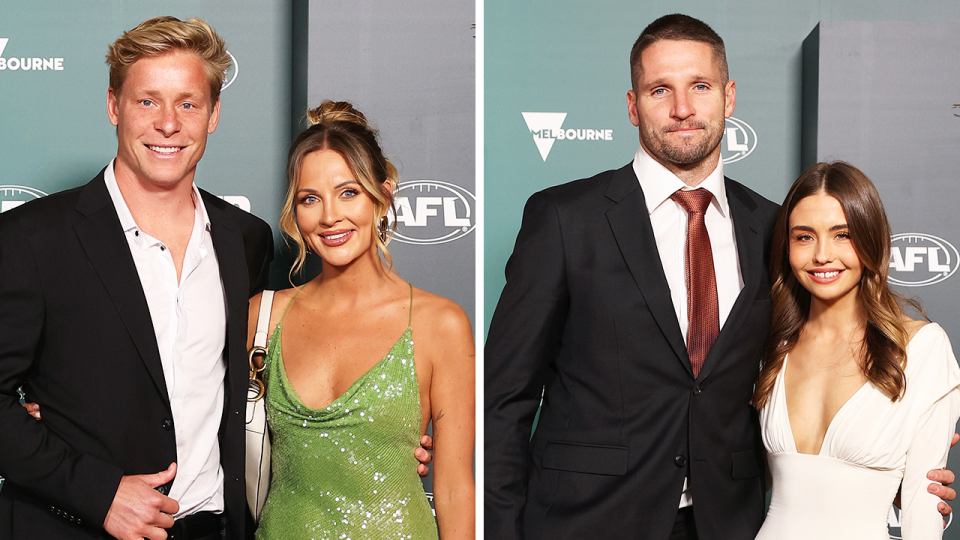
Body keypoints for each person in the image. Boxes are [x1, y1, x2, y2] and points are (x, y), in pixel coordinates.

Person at [484, 13, 956, 540]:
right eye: (660, 89)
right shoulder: (565, 218)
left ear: (729, 97)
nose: (682, 108)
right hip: (588, 521)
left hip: (730, 524)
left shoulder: (777, 230)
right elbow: (504, 398)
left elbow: (822, 354)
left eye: (700, 86)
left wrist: (883, 468)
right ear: (632, 105)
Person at [0, 16, 274, 540]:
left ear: (213, 114)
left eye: (188, 103)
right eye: (147, 100)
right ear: (113, 107)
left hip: (211, 528)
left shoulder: (245, 238)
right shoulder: (32, 238)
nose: (168, 123)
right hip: (69, 526)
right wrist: (97, 492)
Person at [247, 101, 475, 539]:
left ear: (383, 195)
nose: (330, 216)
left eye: (348, 192)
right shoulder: (262, 317)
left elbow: (453, 491)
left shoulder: (439, 324)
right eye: (310, 199)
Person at [752, 161, 960, 539]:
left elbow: (922, 512)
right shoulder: (773, 346)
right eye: (804, 237)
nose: (822, 255)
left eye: (842, 234)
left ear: (870, 239)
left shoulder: (922, 349)